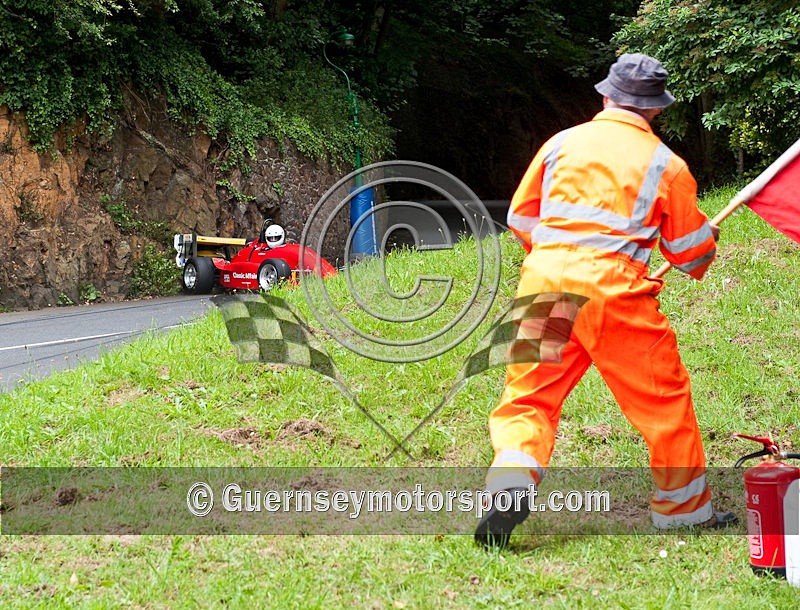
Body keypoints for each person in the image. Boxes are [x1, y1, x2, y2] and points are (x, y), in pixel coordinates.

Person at [475, 53, 736, 548]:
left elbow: (521, 219)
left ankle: (509, 485)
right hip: (615, 293)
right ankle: (682, 510)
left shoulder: (561, 144)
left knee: (529, 396)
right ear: (656, 109)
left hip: (545, 281)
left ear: (606, 96)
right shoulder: (668, 165)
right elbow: (690, 257)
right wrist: (705, 236)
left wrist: (561, 256)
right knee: (663, 400)